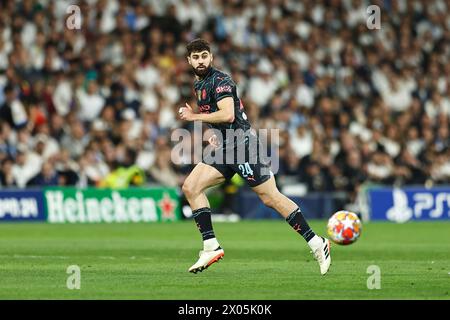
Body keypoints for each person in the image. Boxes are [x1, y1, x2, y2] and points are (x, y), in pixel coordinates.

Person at [179, 39, 331, 275]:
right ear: (189, 60)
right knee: (191, 187)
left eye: (204, 56)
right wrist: (213, 134)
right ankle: (210, 246)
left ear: (211, 57)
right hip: (226, 147)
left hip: (243, 146)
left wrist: (194, 117)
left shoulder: (221, 81)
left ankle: (316, 242)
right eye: (196, 57)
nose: (201, 61)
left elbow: (229, 115)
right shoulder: (199, 84)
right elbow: (218, 117)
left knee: (271, 198)